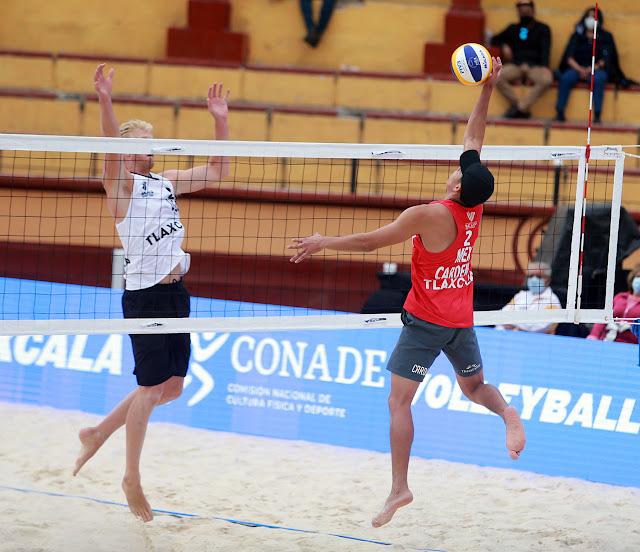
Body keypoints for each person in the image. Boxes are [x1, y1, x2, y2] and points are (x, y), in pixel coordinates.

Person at [288, 57, 526, 528]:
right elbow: (474, 138)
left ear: (457, 186)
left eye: (459, 171)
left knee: (399, 403)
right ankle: (507, 414)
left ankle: (400, 487)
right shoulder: (475, 206)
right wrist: (488, 88)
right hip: (461, 318)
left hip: (426, 320)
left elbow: (370, 242)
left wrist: (323, 243)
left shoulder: (429, 214)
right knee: (475, 388)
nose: (457, 167)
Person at [72, 64, 229, 522]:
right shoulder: (118, 185)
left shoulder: (166, 181)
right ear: (128, 151)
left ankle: (98, 432)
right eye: (140, 143)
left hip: (178, 294)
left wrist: (219, 119)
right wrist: (105, 99)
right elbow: (110, 147)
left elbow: (218, 170)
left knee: (174, 387)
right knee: (148, 389)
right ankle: (131, 477)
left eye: (150, 141)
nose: (148, 148)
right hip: (145, 297)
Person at [555, 7, 624, 123]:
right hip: (577, 68)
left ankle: (597, 115)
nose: (591, 19)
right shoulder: (577, 36)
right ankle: (560, 111)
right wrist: (580, 69)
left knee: (598, 79)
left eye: (594, 17)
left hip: (596, 69)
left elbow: (607, 58)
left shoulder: (606, 37)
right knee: (566, 78)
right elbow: (569, 57)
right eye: (589, 16)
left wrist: (591, 69)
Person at [490, 0, 552, 119]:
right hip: (516, 65)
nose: (524, 10)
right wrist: (504, 45)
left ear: (533, 10)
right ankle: (520, 106)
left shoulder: (543, 28)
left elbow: (546, 51)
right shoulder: (513, 28)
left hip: (535, 66)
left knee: (546, 79)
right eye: (521, 7)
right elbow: (494, 39)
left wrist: (545, 67)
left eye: (527, 7)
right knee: (496, 76)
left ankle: (520, 108)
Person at [497, 261, 562, 333]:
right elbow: (501, 315)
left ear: (548, 280)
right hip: (507, 337)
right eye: (530, 276)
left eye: (538, 276)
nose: (534, 280)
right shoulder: (520, 295)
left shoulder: (553, 301)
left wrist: (514, 325)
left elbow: (540, 327)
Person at [587, 264, 640, 343]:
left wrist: (630, 327)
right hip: (606, 340)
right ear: (632, 279)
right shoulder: (620, 297)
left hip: (630, 345)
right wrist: (593, 335)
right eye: (638, 277)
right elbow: (604, 317)